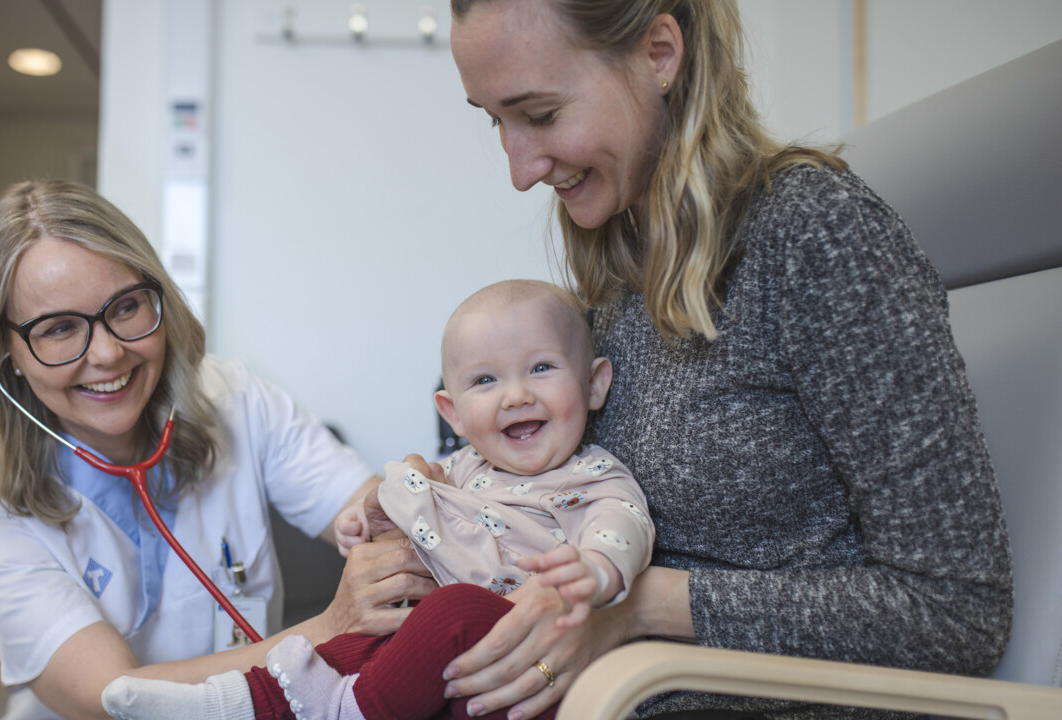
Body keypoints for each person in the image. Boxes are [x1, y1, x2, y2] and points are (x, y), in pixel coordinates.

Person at [433, 2, 1013, 719]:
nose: (520, 171)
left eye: (541, 115)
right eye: (496, 121)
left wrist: (640, 606)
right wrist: (428, 533)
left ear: (659, 54)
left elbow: (956, 611)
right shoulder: (619, 267)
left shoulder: (814, 235)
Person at [0, 179, 437, 720]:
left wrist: (411, 509)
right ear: (6, 351)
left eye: (125, 307)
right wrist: (328, 628)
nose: (107, 353)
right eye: (59, 328)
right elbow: (111, 694)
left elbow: (373, 515)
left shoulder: (236, 399)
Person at [100, 279, 654, 720]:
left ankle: (348, 710)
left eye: (541, 368)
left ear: (594, 384)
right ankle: (238, 703)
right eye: (486, 381)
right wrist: (369, 518)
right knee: (370, 637)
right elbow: (405, 523)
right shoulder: (458, 471)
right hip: (448, 673)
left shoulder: (594, 476)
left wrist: (595, 570)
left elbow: (623, 527)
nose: (515, 395)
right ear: (454, 414)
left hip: (527, 665)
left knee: (451, 612)